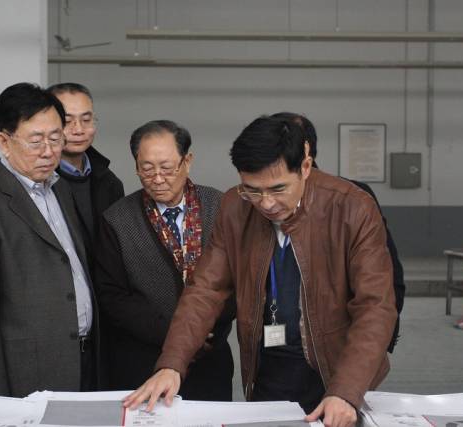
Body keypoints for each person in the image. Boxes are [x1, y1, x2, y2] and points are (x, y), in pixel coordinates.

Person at [125, 116, 397, 427]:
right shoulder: (235, 206)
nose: (266, 204)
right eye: (252, 190)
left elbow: (375, 306)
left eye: (278, 189)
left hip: (338, 365)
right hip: (268, 362)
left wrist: (346, 392)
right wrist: (172, 364)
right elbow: (206, 289)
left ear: (305, 166)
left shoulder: (352, 207)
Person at [0, 83, 98, 397]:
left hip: (81, 361)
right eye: (36, 141)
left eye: (56, 138)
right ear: (4, 141)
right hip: (24, 376)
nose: (49, 151)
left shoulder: (60, 189)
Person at [95, 120, 235, 400]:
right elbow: (113, 296)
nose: (157, 179)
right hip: (143, 361)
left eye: (167, 168)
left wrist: (203, 329)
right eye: (147, 169)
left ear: (187, 161)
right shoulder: (117, 219)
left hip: (211, 358)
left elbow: (239, 279)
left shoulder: (221, 207)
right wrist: (177, 334)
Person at [270, 112, 405, 353]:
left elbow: (387, 276)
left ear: (307, 152)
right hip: (275, 343)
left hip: (337, 344)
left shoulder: (351, 197)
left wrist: (377, 337)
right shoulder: (258, 201)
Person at [46, 82, 124, 253]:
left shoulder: (110, 183)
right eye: (67, 121)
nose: (79, 129)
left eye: (86, 120)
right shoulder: (38, 183)